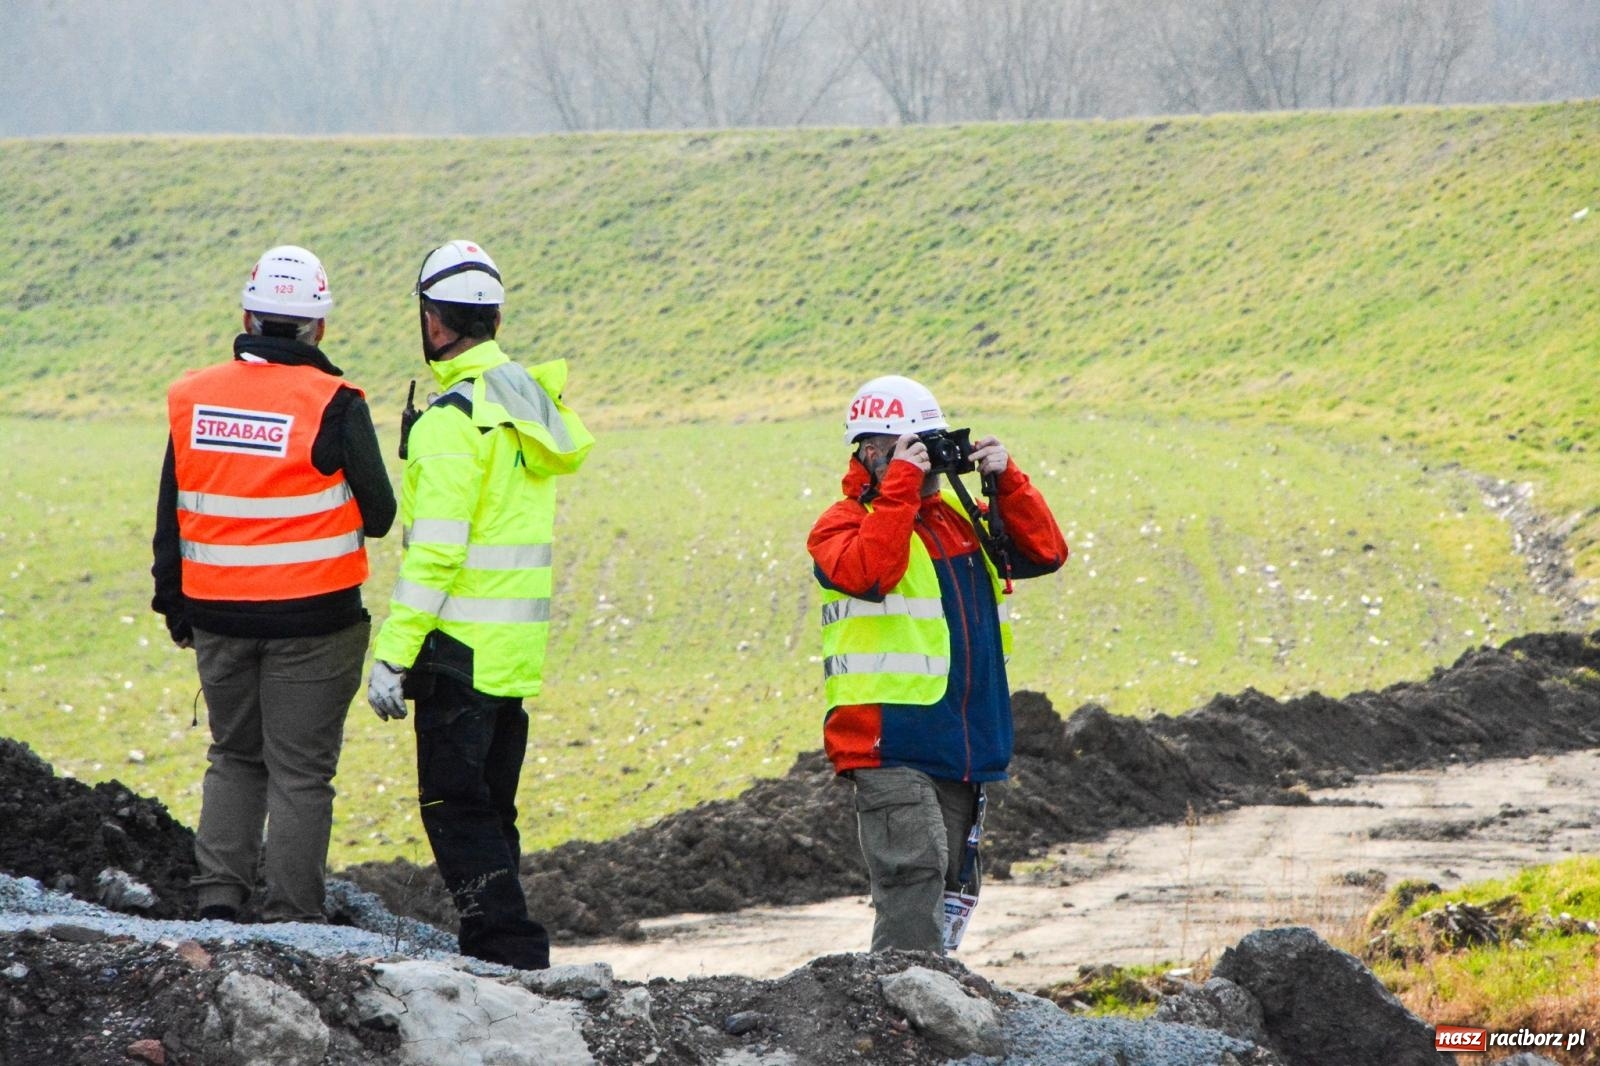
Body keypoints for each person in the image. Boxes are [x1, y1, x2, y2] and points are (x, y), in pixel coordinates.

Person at [366, 239, 593, 970]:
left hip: (455, 652)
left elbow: (436, 552)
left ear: (436, 324)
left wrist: (393, 655)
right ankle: (502, 946)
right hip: (513, 653)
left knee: (455, 809)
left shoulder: (448, 424)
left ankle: (507, 951)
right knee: (493, 810)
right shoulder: (525, 402)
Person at [152, 244, 396, 923]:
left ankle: (219, 901)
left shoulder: (193, 397)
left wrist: (174, 603)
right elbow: (379, 516)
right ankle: (293, 917)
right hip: (315, 626)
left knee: (233, 754)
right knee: (300, 773)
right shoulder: (335, 403)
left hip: (218, 617)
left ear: (247, 317)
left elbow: (171, 511)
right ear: (318, 328)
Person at [807, 374, 1067, 953]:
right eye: (910, 448)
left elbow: (1043, 553)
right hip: (886, 739)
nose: (925, 462)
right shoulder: (839, 525)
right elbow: (871, 571)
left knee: (950, 885)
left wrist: (1008, 483)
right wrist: (899, 487)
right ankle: (902, 1004)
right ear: (871, 453)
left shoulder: (955, 517)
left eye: (930, 445)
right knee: (913, 872)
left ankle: (930, 1001)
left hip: (962, 738)